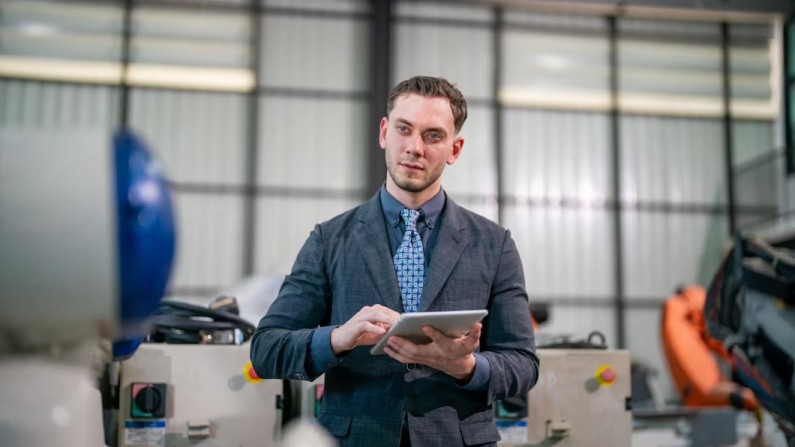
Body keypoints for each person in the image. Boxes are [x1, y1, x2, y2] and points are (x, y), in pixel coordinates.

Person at [250, 75, 538, 447]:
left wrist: (465, 366)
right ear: (385, 132)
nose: (415, 147)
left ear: (455, 148)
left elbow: (523, 363)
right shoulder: (330, 239)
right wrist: (338, 338)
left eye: (433, 135)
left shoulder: (493, 245)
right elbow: (266, 349)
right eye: (405, 129)